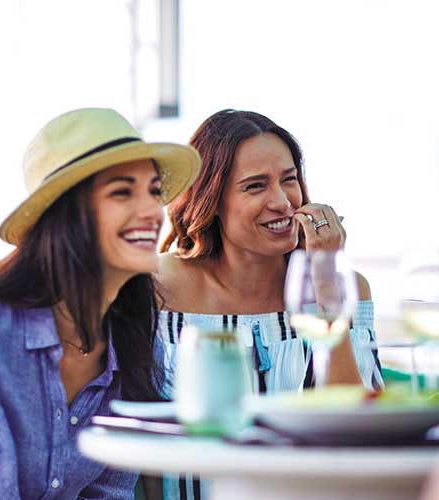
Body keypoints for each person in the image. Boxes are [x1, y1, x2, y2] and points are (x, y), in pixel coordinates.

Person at [0, 108, 200, 499]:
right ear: (65, 215)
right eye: (122, 192)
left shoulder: (138, 345)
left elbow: (110, 494)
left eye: (154, 191)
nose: (152, 211)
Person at [154, 109, 383, 500]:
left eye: (288, 180)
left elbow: (359, 428)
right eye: (255, 186)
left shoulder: (346, 286)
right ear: (211, 198)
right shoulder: (157, 288)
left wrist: (327, 284)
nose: (282, 202)